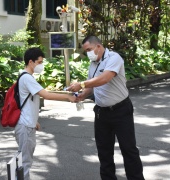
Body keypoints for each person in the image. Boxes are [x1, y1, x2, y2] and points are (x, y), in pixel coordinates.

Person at [67, 36, 145, 180]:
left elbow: (105, 78)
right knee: (104, 152)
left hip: (121, 111)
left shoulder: (114, 58)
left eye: (89, 49)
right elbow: (91, 87)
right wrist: (81, 96)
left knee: (128, 150)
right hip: (102, 113)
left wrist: (82, 84)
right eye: (86, 51)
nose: (88, 53)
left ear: (98, 46)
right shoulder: (93, 64)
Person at [15, 47, 76, 180]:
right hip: (25, 127)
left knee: (23, 161)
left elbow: (26, 103)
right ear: (31, 62)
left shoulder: (24, 76)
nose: (41, 65)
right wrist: (68, 97)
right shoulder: (27, 78)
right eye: (40, 62)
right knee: (25, 163)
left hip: (26, 124)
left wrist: (34, 120)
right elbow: (46, 95)